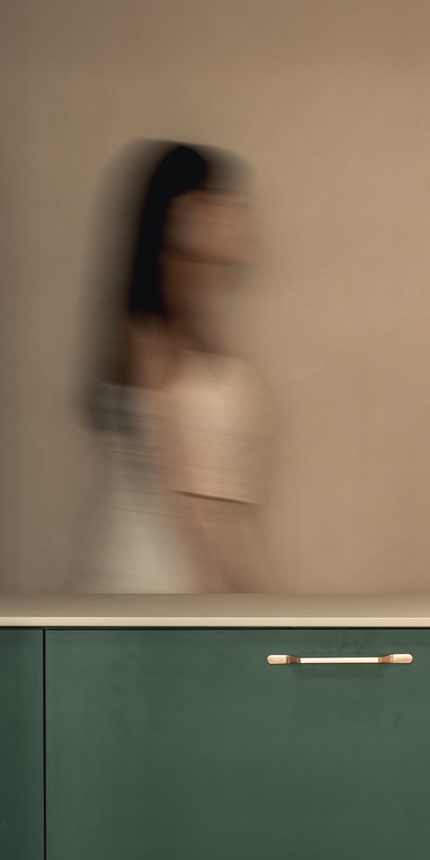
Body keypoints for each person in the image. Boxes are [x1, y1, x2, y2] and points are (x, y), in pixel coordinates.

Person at [74, 140, 270, 593]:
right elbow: (189, 499)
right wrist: (249, 600)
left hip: (183, 578)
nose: (237, 216)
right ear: (179, 215)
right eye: (220, 202)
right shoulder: (150, 338)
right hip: (150, 584)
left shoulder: (189, 328)